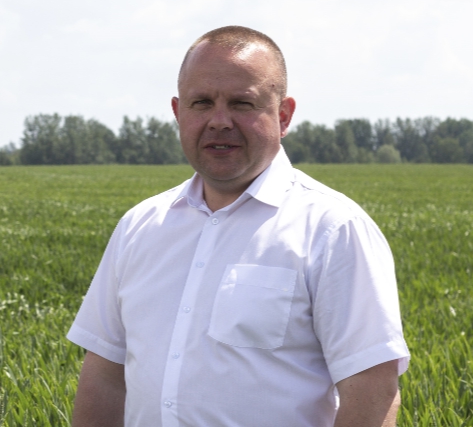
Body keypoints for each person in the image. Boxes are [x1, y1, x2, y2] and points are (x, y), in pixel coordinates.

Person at [68, 25, 410, 427]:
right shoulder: (139, 226)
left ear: (283, 115)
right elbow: (105, 376)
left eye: (242, 104)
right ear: (178, 113)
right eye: (201, 103)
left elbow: (372, 389)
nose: (219, 121)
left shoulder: (333, 230)